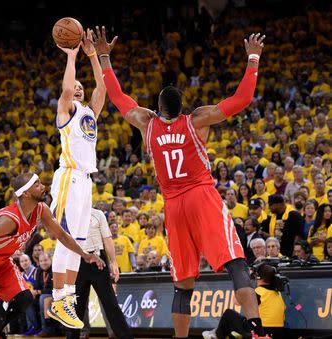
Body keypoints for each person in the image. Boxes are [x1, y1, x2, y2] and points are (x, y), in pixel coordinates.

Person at [90, 27, 267, 338]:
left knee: (183, 284)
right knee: (235, 262)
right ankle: (256, 330)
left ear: (157, 107)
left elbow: (118, 98)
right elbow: (242, 99)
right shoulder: (196, 120)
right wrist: (253, 58)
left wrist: (104, 57)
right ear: (182, 107)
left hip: (173, 206)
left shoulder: (147, 123)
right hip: (201, 196)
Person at [0, 173, 104, 339]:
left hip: (0, 261)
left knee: (25, 299)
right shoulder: (8, 220)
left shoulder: (41, 209)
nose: (43, 187)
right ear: (25, 193)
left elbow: (61, 235)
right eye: (37, 184)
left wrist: (84, 255)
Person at [48, 29, 107, 329]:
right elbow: (68, 90)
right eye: (76, 86)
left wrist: (93, 56)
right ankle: (58, 298)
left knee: (77, 244)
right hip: (68, 178)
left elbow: (102, 88)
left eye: (81, 86)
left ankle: (68, 298)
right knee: (65, 240)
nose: (79, 89)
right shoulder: (66, 111)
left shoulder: (89, 115)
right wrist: (72, 57)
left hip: (86, 181)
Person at [67, 208, 132, 339]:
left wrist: (114, 262)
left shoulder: (98, 214)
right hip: (77, 261)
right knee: (75, 306)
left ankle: (125, 336)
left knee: (110, 302)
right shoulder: (68, 214)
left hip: (99, 259)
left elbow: (107, 239)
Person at [202, 264, 284, 339]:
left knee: (229, 314)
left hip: (260, 330)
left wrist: (244, 284)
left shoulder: (259, 292)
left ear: (258, 277)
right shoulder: (278, 294)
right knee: (246, 319)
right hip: (277, 332)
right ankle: (231, 333)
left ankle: (217, 335)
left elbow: (236, 302)